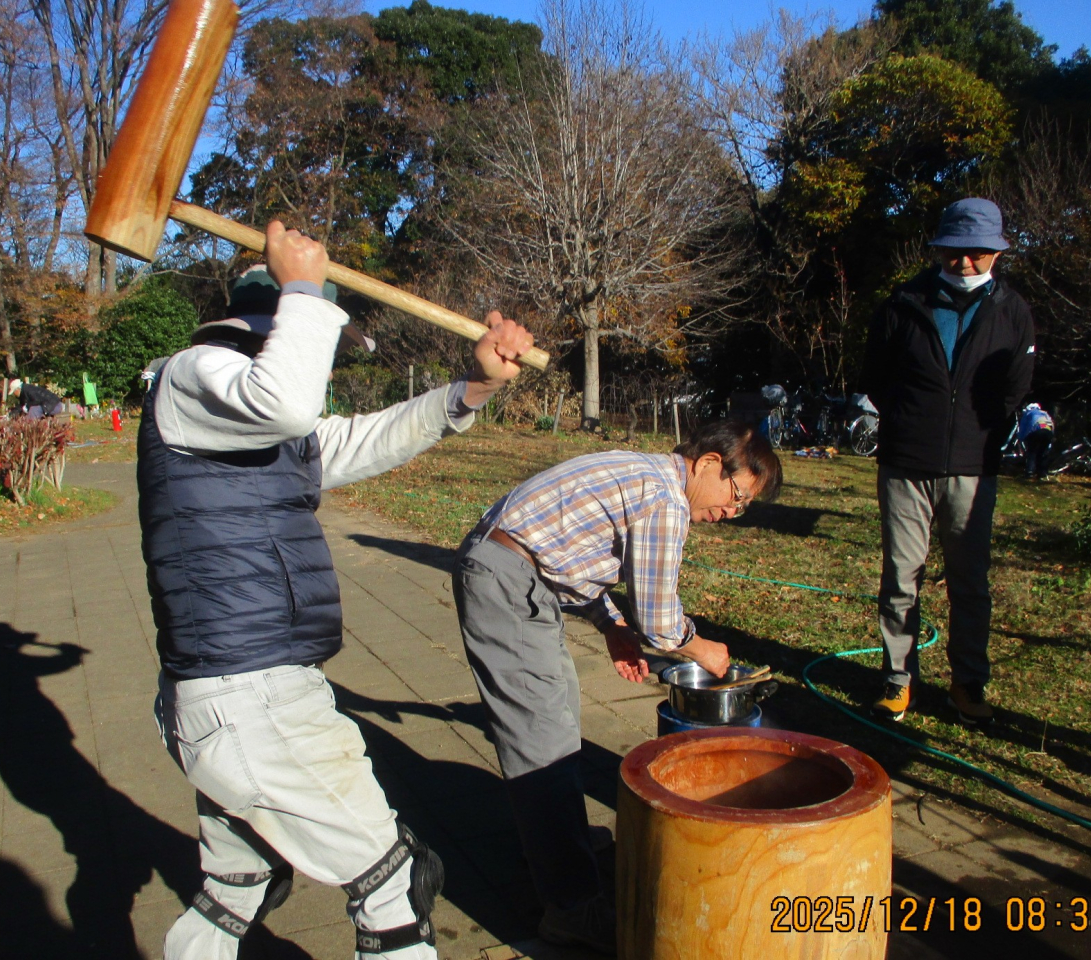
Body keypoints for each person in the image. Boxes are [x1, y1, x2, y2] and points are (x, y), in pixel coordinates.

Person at [141, 221, 534, 960]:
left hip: (240, 698)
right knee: (396, 884)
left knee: (239, 886)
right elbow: (289, 405)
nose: (324, 370)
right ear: (271, 327)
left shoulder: (253, 423)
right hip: (248, 702)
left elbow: (359, 438)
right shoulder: (194, 377)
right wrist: (302, 286)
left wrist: (474, 387)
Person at [451, 421, 781, 953]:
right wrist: (702, 648)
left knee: (558, 715)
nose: (731, 512)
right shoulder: (665, 499)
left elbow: (572, 549)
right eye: (736, 496)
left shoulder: (646, 474)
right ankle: (571, 908)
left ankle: (561, 847)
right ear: (709, 465)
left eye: (743, 508)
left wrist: (610, 626)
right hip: (507, 581)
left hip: (519, 574)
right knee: (543, 743)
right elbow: (660, 621)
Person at [860, 197, 1035, 725]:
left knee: (970, 581)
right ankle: (898, 679)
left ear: (997, 253)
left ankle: (968, 682)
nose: (964, 262)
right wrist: (910, 422)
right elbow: (876, 375)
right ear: (937, 249)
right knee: (901, 576)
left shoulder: (1012, 311)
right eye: (954, 251)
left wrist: (981, 435)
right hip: (906, 463)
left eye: (977, 252)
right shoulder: (902, 303)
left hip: (973, 467)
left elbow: (1014, 388)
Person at [1018, 402, 1054, 479]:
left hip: (1036, 431)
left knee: (1032, 452)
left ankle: (1029, 472)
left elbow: (1022, 428)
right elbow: (1052, 424)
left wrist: (1021, 439)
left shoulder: (1028, 413)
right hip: (1048, 432)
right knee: (1043, 453)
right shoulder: (1045, 413)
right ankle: (1042, 473)